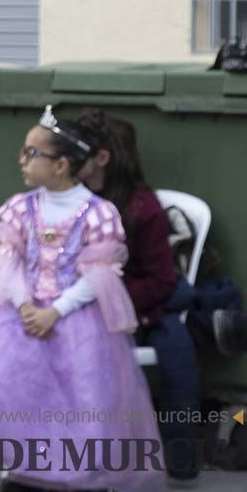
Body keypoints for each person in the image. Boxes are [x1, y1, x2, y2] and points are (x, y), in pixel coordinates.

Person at [0, 106, 164, 492]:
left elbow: (100, 273)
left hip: (74, 319)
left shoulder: (99, 214)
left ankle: (56, 476)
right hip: (19, 312)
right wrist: (25, 303)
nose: (22, 160)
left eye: (32, 153)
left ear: (61, 165)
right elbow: (7, 261)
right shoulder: (21, 208)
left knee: (78, 396)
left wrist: (56, 311)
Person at [78, 108, 247, 483]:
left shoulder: (144, 208)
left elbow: (161, 280)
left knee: (178, 357)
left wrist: (120, 304)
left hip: (147, 304)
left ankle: (180, 457)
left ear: (104, 159)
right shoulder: (72, 203)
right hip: (84, 307)